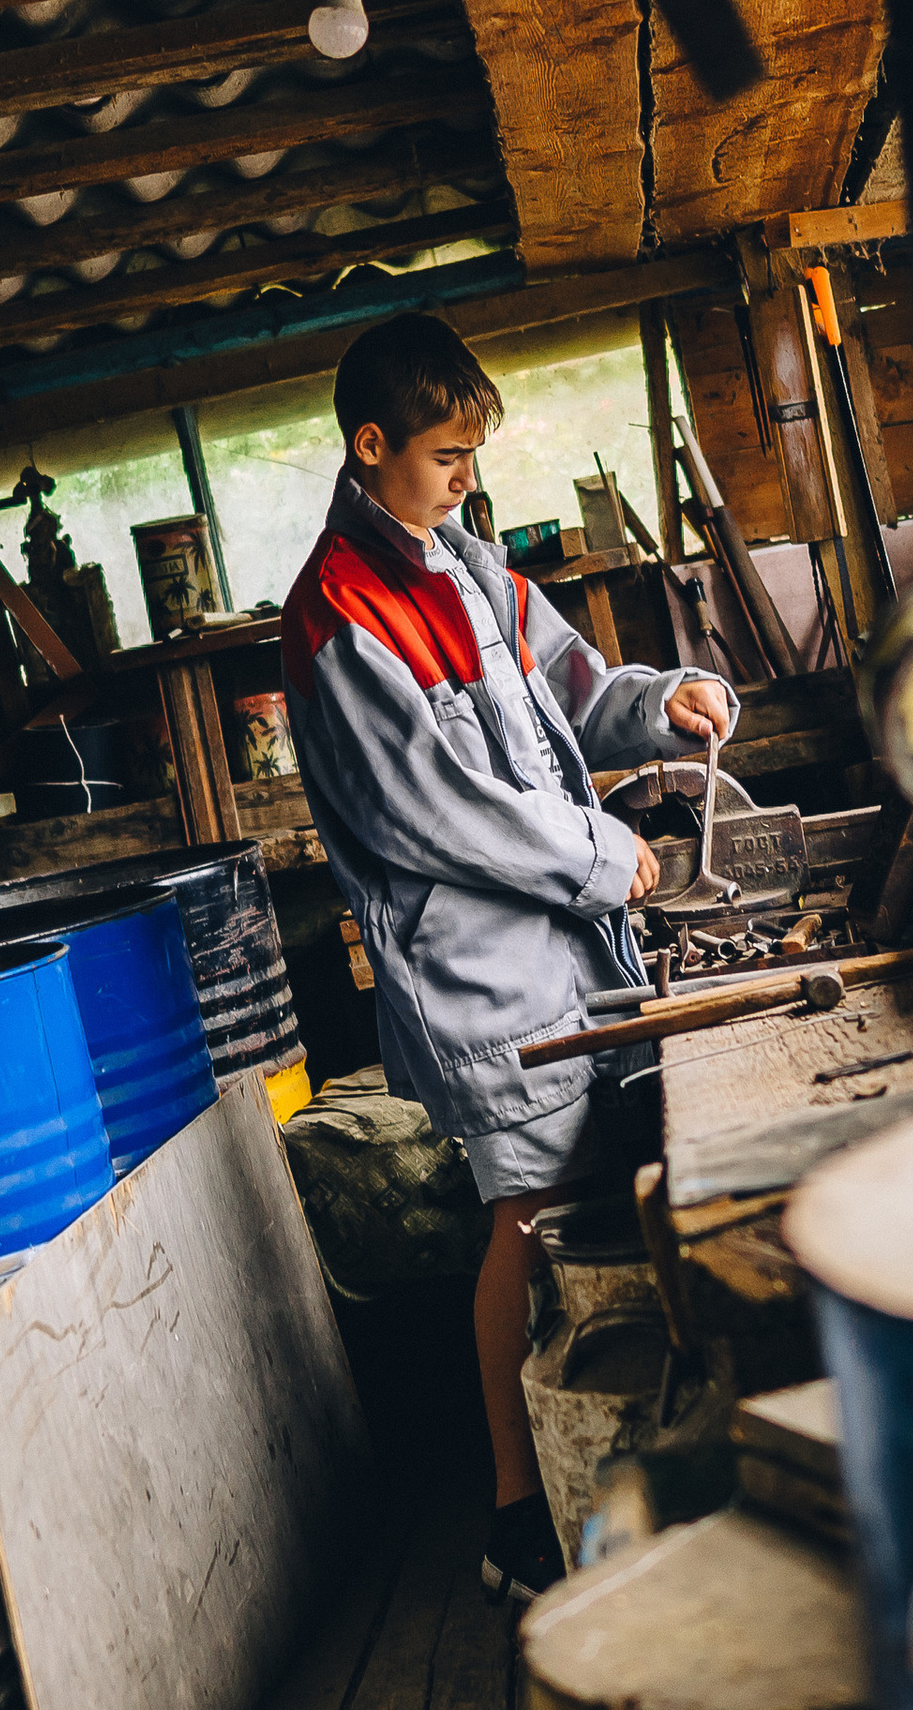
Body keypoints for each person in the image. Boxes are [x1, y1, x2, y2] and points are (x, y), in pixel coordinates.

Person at [282, 309, 736, 1605]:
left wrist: (664, 699)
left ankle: (630, 1472)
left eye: (473, 456)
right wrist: (602, 855)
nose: (464, 480)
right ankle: (513, 1516)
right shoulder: (339, 616)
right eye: (442, 457)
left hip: (564, 938)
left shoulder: (467, 564)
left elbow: (580, 683)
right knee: (526, 1222)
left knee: (596, 1201)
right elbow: (433, 810)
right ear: (370, 446)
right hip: (481, 968)